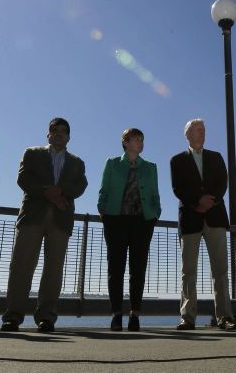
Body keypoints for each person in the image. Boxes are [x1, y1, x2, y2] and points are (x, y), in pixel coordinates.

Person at [1, 117, 87, 333]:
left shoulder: (77, 162)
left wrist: (61, 192)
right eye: (55, 130)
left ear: (69, 136)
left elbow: (81, 185)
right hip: (32, 216)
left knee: (54, 270)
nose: (59, 134)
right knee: (21, 266)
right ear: (48, 134)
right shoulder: (32, 153)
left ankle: (46, 318)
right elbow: (23, 178)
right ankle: (12, 317)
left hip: (61, 218)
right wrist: (47, 192)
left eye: (63, 131)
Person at [169, 119, 236, 331]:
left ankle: (225, 317)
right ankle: (187, 318)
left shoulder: (216, 157)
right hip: (190, 219)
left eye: (204, 130)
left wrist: (209, 201)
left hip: (215, 217)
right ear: (187, 134)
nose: (203, 133)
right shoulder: (177, 160)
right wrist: (197, 202)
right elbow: (178, 187)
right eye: (198, 130)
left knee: (220, 270)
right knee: (188, 270)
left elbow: (222, 182)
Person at [97, 128, 161, 332]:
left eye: (142, 139)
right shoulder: (112, 163)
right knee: (115, 268)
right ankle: (116, 314)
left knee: (138, 269)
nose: (140, 143)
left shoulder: (151, 167)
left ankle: (135, 315)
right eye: (136, 139)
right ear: (125, 142)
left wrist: (155, 214)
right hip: (115, 221)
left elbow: (155, 195)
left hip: (142, 222)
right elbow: (103, 191)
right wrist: (104, 213)